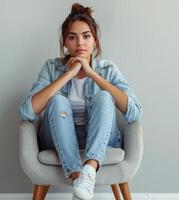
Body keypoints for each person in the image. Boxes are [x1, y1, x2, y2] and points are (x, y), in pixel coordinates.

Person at [18, 2, 142, 200]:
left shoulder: (107, 69)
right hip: (59, 136)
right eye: (72, 37)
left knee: (104, 95)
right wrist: (68, 75)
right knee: (58, 100)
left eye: (86, 36)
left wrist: (93, 75)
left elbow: (134, 111)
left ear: (95, 41)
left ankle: (89, 170)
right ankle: (79, 179)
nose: (80, 44)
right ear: (65, 43)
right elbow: (26, 111)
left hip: (100, 137)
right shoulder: (52, 67)